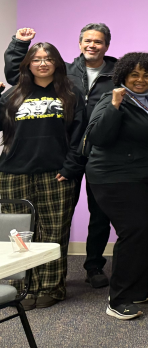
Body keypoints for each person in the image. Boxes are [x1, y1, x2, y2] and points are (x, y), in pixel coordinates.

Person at [5, 24, 116, 290]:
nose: (92, 45)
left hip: (93, 155)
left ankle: (85, 270)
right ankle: (27, 285)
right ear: (79, 43)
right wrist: (19, 44)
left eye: (98, 41)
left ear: (106, 45)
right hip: (39, 162)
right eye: (87, 40)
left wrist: (71, 165)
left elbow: (83, 130)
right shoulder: (58, 73)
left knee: (87, 217)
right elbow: (14, 75)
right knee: (32, 226)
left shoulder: (113, 75)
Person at [85, 52, 148, 320]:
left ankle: (137, 289)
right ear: (123, 76)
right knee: (134, 233)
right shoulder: (112, 98)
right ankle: (118, 300)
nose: (140, 79)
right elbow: (98, 137)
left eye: (146, 75)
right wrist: (114, 106)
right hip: (116, 176)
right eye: (134, 74)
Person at [0, 40, 85, 310]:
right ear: (28, 64)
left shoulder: (71, 93)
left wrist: (70, 167)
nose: (42, 63)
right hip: (13, 173)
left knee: (53, 233)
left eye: (48, 58)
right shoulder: (12, 94)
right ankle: (18, 288)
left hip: (56, 174)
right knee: (17, 235)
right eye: (36, 59)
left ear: (57, 63)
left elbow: (80, 136)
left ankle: (50, 287)